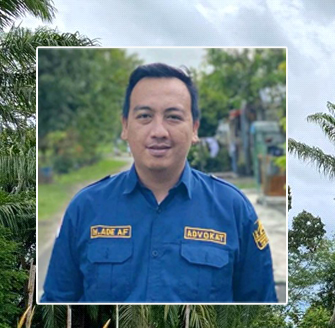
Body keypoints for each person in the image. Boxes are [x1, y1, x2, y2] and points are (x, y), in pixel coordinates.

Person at [42, 63, 278, 303]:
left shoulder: (234, 209)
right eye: (145, 116)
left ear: (194, 128)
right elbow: (56, 305)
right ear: (125, 126)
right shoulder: (85, 208)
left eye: (173, 117)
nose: (159, 131)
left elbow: (262, 307)